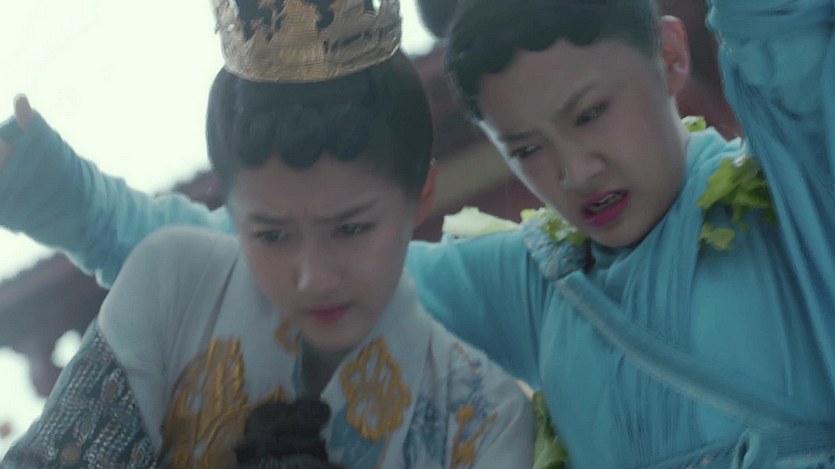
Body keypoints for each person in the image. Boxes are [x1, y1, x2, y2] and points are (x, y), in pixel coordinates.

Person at [2, 0, 834, 466]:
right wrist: (50, 187)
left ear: (670, 55)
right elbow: (260, 262)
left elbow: (783, 28)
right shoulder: (541, 287)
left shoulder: (797, 192)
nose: (575, 170)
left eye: (590, 114)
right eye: (526, 149)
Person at [0, 0, 534, 467]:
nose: (313, 277)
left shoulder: (483, 419)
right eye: (272, 235)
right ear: (232, 213)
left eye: (351, 228)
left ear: (422, 194)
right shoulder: (173, 286)